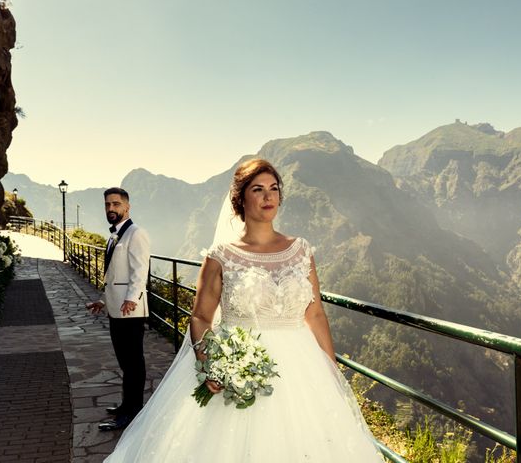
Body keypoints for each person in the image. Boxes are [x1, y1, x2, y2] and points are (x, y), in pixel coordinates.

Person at [104, 160, 382, 461]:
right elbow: (200, 317)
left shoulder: (301, 250)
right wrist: (208, 362)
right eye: (258, 189)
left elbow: (314, 315)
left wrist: (331, 372)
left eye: (274, 189)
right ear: (241, 199)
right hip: (237, 369)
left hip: (302, 370)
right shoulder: (221, 256)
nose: (268, 197)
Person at [86, 187, 151, 431]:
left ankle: (133, 413)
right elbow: (114, 276)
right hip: (116, 308)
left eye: (115, 204)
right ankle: (127, 405)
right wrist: (103, 301)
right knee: (125, 362)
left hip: (130, 311)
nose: (111, 209)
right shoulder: (114, 235)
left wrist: (132, 298)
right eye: (107, 205)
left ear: (127, 207)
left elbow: (139, 270)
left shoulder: (136, 234)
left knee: (134, 363)